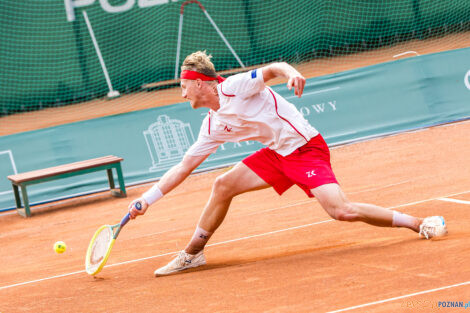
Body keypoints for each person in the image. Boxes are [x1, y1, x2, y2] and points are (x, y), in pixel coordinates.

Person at [128, 51, 447, 276]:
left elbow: (273, 68)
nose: (182, 95)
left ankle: (418, 223)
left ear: (200, 83)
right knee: (222, 185)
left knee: (342, 212)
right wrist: (147, 199)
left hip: (306, 149)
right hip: (276, 155)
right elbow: (184, 167)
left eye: (183, 87)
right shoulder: (211, 126)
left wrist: (291, 73)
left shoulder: (234, 87)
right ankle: (192, 255)